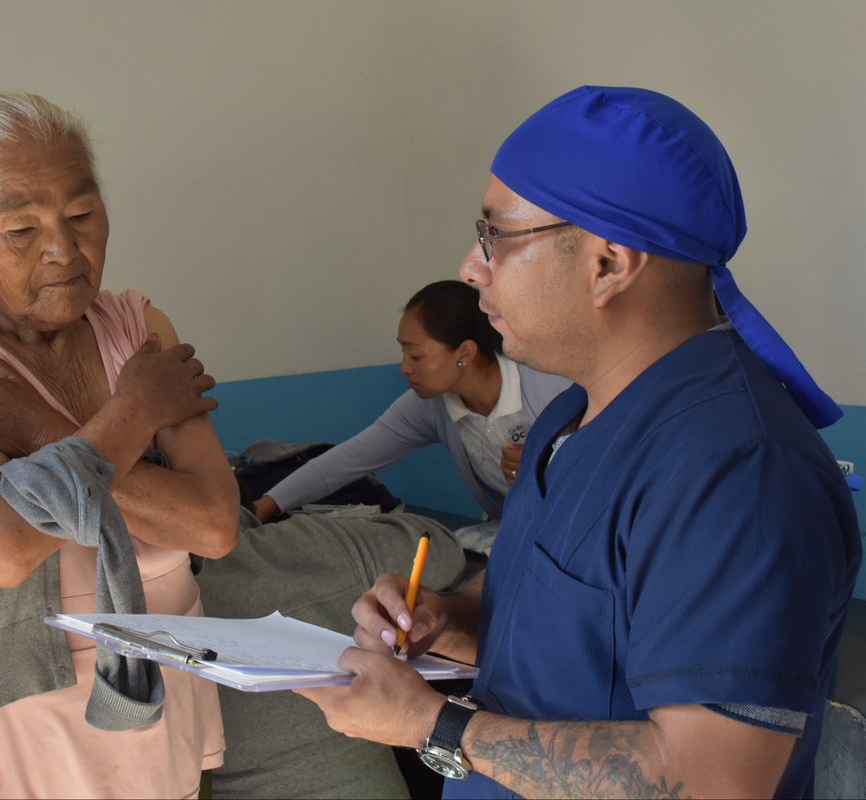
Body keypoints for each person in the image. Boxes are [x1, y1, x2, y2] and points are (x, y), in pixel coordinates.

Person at [296, 86, 860, 799]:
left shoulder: (735, 470)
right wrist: (445, 620)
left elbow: (715, 779)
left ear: (607, 263)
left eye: (494, 236)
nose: (471, 269)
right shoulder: (571, 419)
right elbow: (574, 631)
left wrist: (432, 727)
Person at [0, 91, 240, 799]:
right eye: (19, 228)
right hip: (25, 708)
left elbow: (214, 527)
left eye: (80, 215)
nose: (63, 250)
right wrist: (133, 418)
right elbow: (0, 553)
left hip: (164, 674)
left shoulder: (139, 327)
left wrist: (34, 432)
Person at [253, 281, 570, 525]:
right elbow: (344, 462)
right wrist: (263, 509)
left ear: (465, 353)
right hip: (516, 531)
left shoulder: (553, 383)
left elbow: (611, 464)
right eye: (404, 353)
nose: (405, 367)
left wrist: (552, 462)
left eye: (416, 355)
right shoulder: (428, 406)